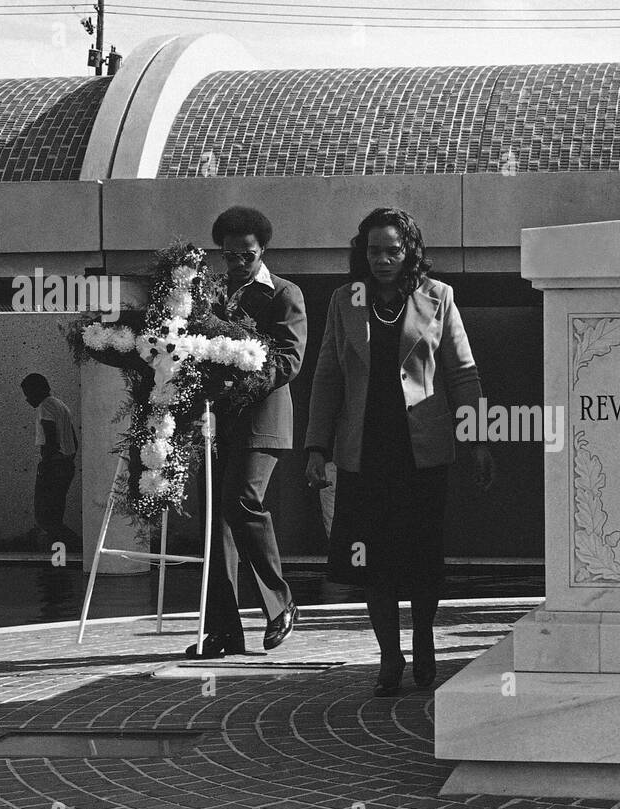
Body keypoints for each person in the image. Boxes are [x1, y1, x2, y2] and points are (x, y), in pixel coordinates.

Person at [305, 207, 495, 696]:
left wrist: (475, 438)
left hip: (422, 454)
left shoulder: (439, 297)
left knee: (421, 558)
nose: (383, 259)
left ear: (409, 250)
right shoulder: (344, 300)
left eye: (393, 249)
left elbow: (463, 373)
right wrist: (316, 447)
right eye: (373, 251)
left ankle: (425, 636)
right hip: (364, 454)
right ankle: (390, 654)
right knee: (371, 562)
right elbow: (327, 377)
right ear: (361, 252)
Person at [187, 206, 306, 659]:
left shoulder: (284, 294)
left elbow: (289, 360)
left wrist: (240, 377)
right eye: (229, 256)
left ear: (263, 250)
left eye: (247, 255)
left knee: (240, 498)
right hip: (214, 423)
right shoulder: (209, 295)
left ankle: (280, 603)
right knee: (215, 521)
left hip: (262, 421)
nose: (238, 264)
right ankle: (222, 631)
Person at [20, 373, 80, 550]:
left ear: (37, 390)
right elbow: (74, 441)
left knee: (45, 517)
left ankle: (75, 546)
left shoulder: (44, 407)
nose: (27, 399)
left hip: (53, 466)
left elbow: (50, 438)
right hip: (66, 465)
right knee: (55, 515)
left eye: (28, 393)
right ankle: (59, 556)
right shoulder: (61, 406)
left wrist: (45, 464)